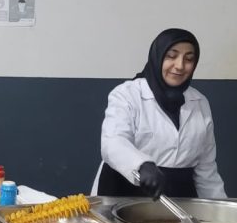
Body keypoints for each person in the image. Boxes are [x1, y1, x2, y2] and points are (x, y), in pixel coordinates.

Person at [93, 28, 226, 199]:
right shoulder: (127, 94)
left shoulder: (200, 102)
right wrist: (141, 165)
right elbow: (113, 142)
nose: (180, 65)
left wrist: (220, 209)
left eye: (189, 59)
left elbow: (206, 169)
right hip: (123, 192)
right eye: (171, 56)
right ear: (158, 56)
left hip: (176, 198)